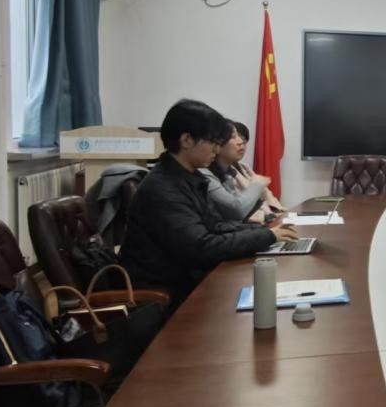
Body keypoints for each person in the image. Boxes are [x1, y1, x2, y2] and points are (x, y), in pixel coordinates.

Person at [121, 99, 298, 304]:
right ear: (187, 140)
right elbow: (202, 248)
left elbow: (215, 226)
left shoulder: (189, 177)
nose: (217, 149)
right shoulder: (163, 188)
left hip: (193, 281)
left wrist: (263, 232)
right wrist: (267, 236)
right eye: (213, 141)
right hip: (168, 296)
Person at [200, 122, 270, 222]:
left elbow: (237, 217)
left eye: (242, 138)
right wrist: (256, 185)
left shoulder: (229, 171)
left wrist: (259, 197)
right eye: (233, 137)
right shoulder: (203, 173)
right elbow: (235, 210)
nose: (241, 142)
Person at [230, 122, 284, 213]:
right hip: (251, 218)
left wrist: (279, 210)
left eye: (244, 141)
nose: (241, 144)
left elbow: (266, 194)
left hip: (268, 215)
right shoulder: (221, 172)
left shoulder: (244, 167)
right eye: (235, 139)